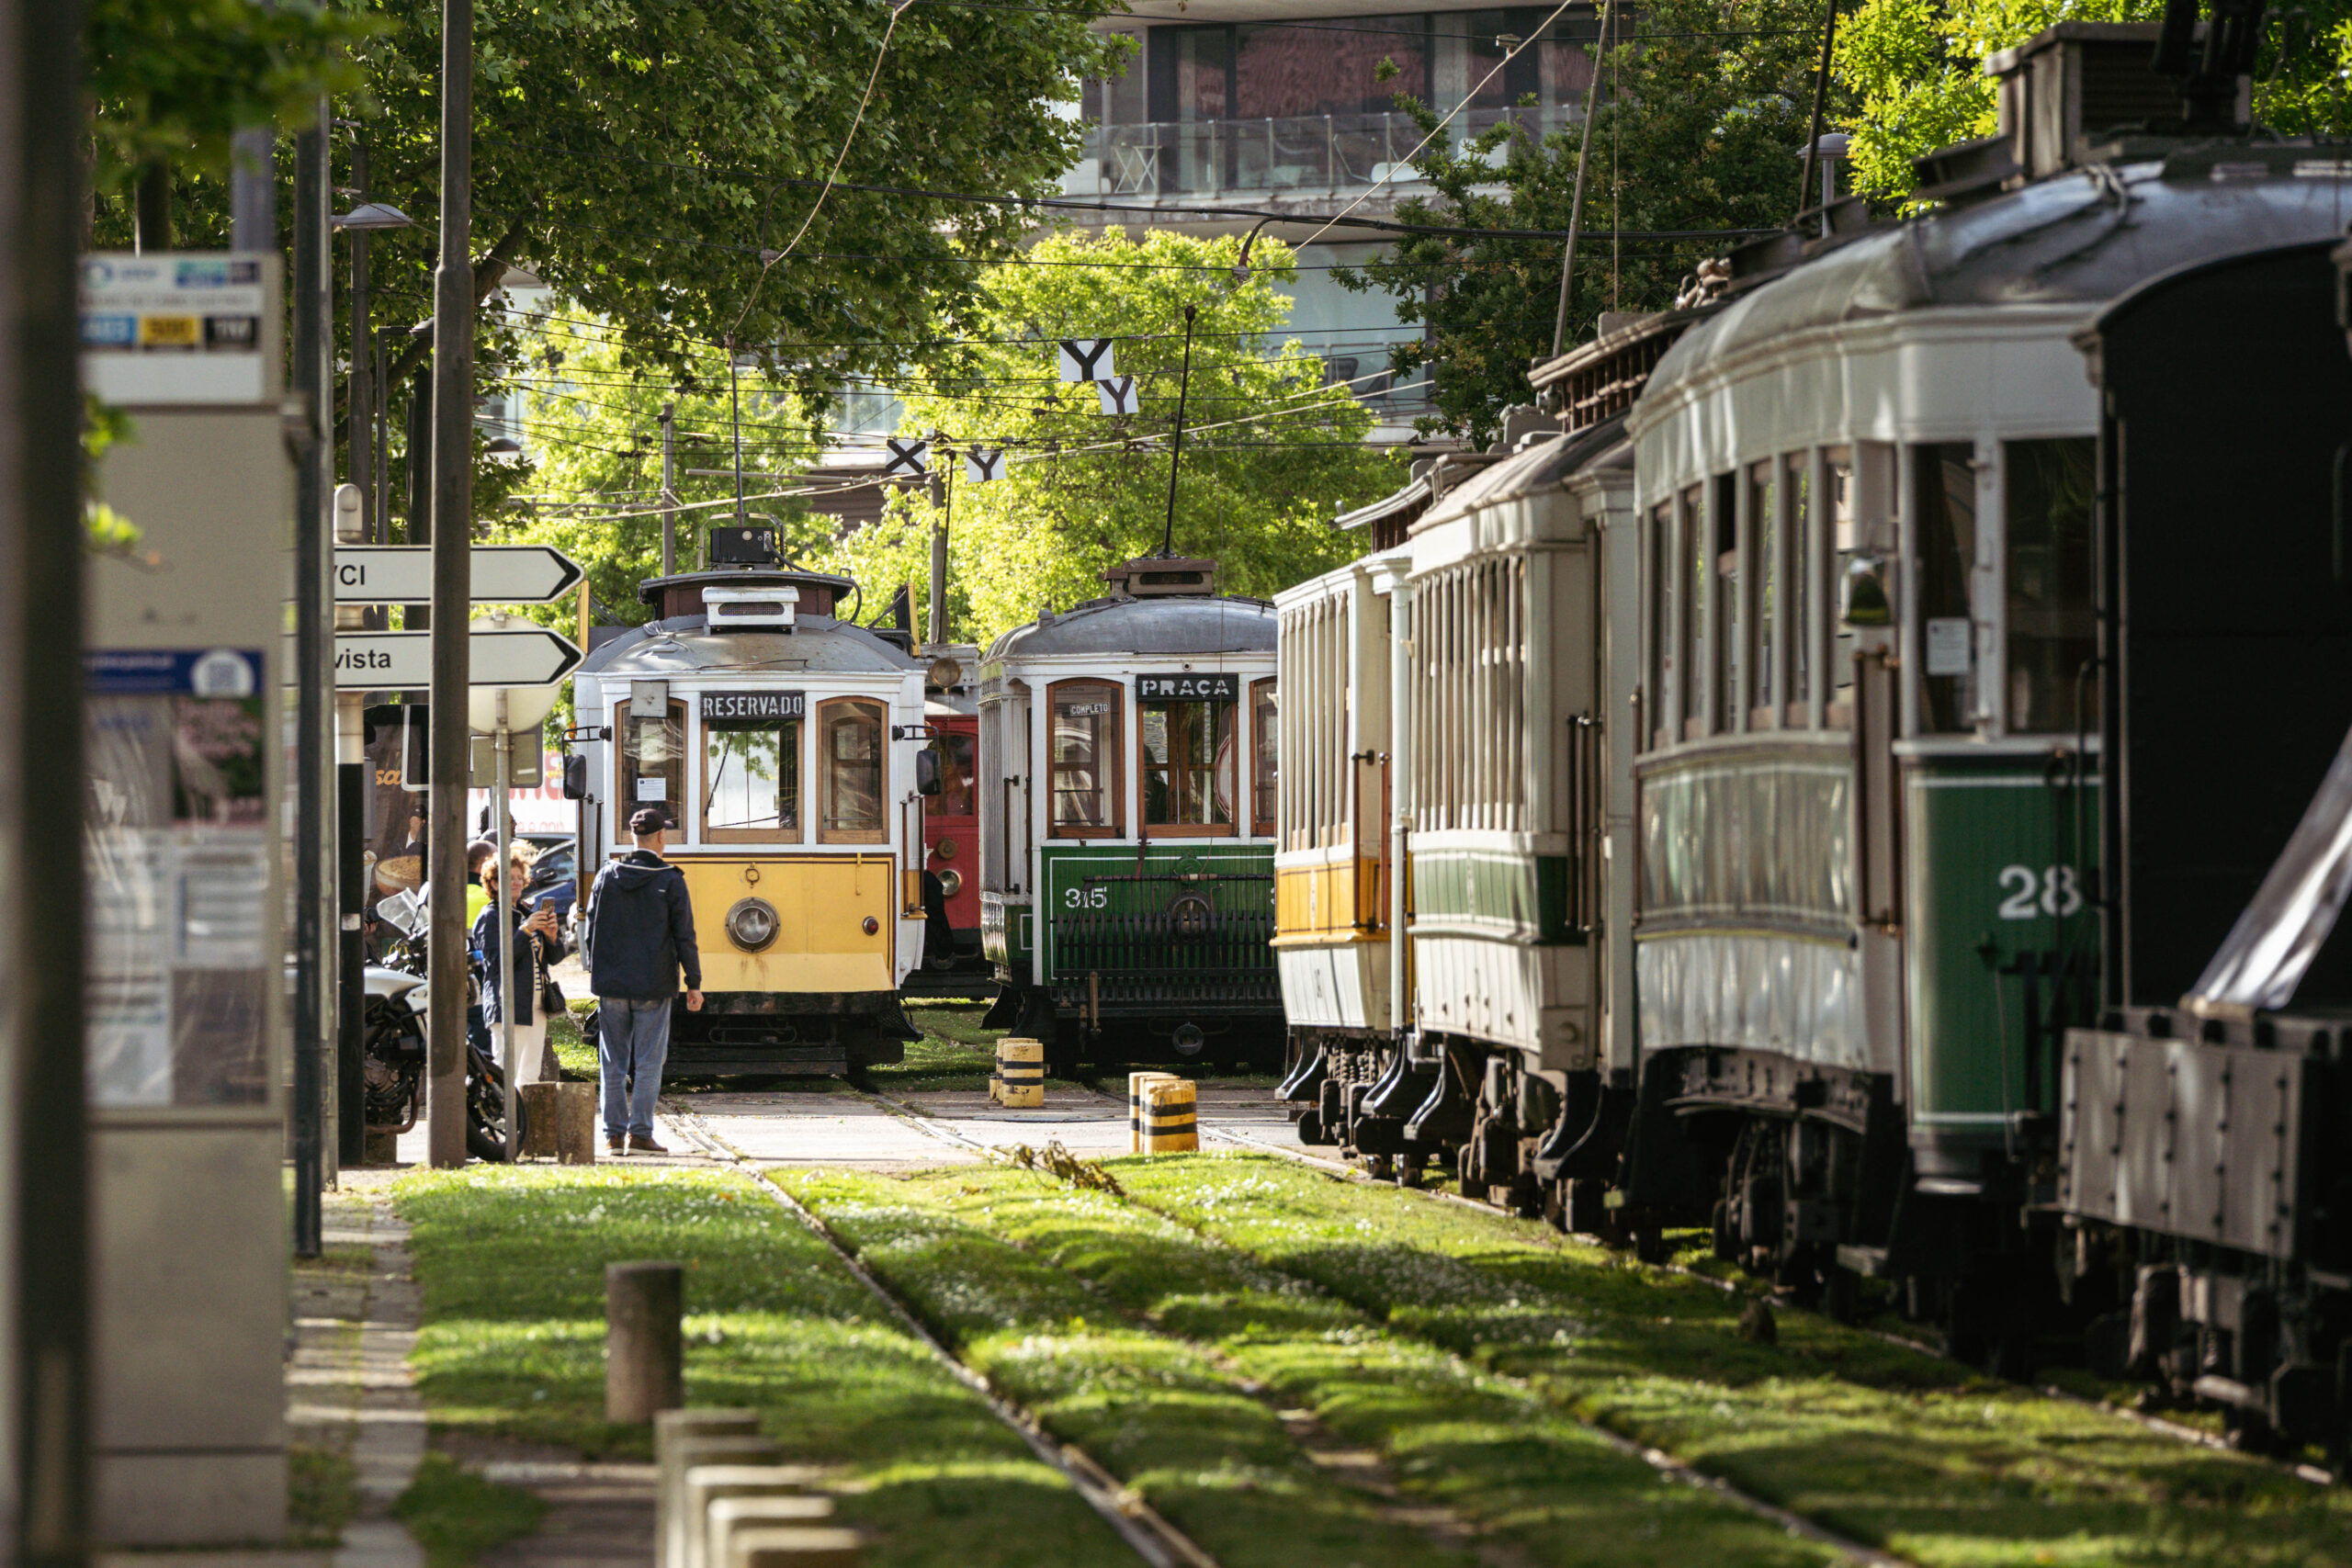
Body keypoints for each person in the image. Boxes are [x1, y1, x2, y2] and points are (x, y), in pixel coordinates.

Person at [584, 807, 702, 1155]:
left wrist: (597, 969)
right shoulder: (670, 880)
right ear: (662, 837)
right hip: (654, 984)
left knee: (613, 1062)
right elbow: (685, 937)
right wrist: (693, 982)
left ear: (632, 838)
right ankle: (640, 1134)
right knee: (650, 1061)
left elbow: (591, 928)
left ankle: (612, 1136)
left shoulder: (607, 875)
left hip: (613, 986)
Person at [472, 840, 562, 1085]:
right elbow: (497, 961)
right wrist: (525, 931)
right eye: (507, 878)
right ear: (492, 883)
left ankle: (525, 1123)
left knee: (530, 1075)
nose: (515, 883)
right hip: (508, 1005)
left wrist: (552, 937)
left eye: (519, 877)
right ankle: (503, 1121)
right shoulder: (490, 917)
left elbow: (553, 959)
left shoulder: (525, 912)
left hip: (537, 1005)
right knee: (505, 1072)